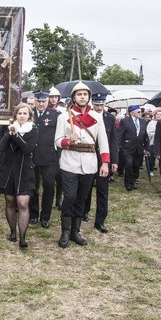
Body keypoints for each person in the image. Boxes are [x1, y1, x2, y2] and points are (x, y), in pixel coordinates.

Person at [54, 82, 109, 248]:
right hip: (69, 161)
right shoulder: (64, 117)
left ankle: (75, 231)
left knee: (82, 198)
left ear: (89, 97)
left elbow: (103, 142)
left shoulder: (97, 117)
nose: (82, 97)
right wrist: (66, 141)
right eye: (79, 94)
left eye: (85, 94)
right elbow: (56, 141)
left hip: (90, 163)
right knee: (69, 197)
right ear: (73, 97)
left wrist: (105, 163)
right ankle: (65, 231)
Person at [0, 103, 38, 248]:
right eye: (19, 113)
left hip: (25, 170)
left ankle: (23, 237)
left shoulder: (33, 129)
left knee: (23, 203)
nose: (22, 116)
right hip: (8, 170)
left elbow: (27, 149)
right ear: (15, 115)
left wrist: (16, 135)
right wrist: (9, 133)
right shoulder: (8, 128)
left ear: (29, 116)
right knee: (10, 202)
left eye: (25, 114)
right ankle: (13, 232)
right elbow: (0, 147)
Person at [82, 93, 118, 233]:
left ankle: (100, 220)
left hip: (104, 159)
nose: (98, 107)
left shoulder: (109, 118)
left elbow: (113, 140)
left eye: (101, 105)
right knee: (86, 188)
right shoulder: (87, 117)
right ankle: (84, 212)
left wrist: (114, 160)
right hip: (89, 158)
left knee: (103, 191)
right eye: (96, 105)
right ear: (92, 104)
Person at [29, 89, 60, 229]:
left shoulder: (56, 115)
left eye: (43, 101)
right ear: (34, 101)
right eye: (38, 101)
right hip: (32, 156)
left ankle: (45, 216)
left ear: (48, 101)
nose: (41, 104)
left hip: (49, 158)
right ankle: (33, 214)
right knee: (32, 187)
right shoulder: (29, 114)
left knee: (48, 186)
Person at [117, 105, 149, 191]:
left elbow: (145, 135)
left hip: (139, 148)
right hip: (128, 147)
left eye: (141, 112)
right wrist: (117, 145)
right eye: (138, 112)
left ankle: (134, 179)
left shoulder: (143, 122)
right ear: (132, 113)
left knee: (136, 165)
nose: (140, 113)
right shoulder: (125, 121)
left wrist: (146, 147)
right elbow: (120, 133)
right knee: (129, 164)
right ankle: (128, 184)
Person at [146, 108, 161, 177]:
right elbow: (148, 133)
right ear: (155, 115)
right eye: (158, 114)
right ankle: (151, 170)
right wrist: (155, 134)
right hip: (153, 142)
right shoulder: (151, 123)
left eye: (160, 114)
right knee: (152, 157)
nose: (159, 116)